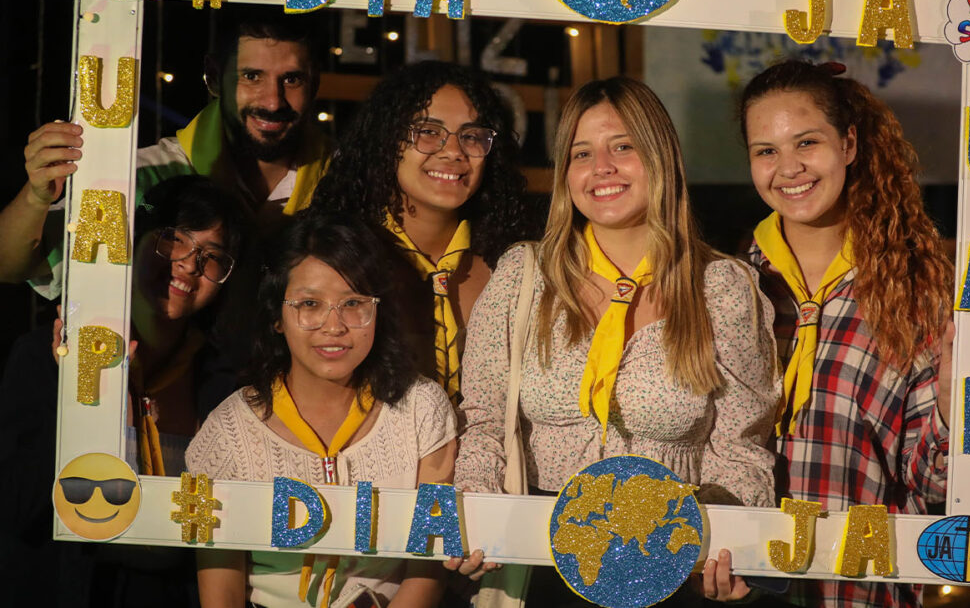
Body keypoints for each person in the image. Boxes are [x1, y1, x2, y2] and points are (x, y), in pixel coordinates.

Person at [455, 76, 778, 605]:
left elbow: (740, 448)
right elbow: (484, 417)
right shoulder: (525, 274)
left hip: (669, 557)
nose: (601, 167)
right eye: (582, 153)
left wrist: (723, 540)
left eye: (622, 147)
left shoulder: (720, 285)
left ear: (660, 158)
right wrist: (479, 510)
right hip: (540, 560)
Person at [738, 60, 954, 608]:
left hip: (860, 590)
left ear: (849, 143)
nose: (788, 168)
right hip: (744, 587)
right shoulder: (729, 281)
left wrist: (958, 403)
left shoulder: (917, 286)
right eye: (766, 151)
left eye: (806, 142)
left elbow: (936, 488)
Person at [0, 174, 247, 608]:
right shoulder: (46, 356)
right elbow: (18, 509)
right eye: (173, 240)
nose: (190, 264)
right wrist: (90, 400)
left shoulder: (226, 383)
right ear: (129, 242)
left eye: (212, 257)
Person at [186, 213, 450, 608]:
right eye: (310, 304)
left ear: (378, 310)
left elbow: (429, 567)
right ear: (276, 315)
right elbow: (220, 589)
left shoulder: (421, 409)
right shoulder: (227, 429)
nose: (334, 326)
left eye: (354, 304)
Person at [0, 12, 331, 299]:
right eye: (252, 76)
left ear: (314, 84)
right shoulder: (149, 174)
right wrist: (35, 197)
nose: (273, 101)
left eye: (291, 79)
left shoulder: (346, 177)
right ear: (214, 77)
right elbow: (10, 266)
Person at [310, 61, 530, 402]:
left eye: (471, 136)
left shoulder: (515, 267)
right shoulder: (334, 260)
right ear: (386, 140)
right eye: (428, 132)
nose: (454, 152)